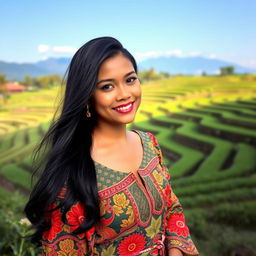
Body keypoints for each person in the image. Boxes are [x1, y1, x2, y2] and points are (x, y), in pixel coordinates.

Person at [24, 37, 199, 256]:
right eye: (107, 86)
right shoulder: (73, 176)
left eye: (130, 80)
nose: (124, 94)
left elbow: (171, 206)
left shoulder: (149, 143)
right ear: (87, 96)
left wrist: (175, 250)